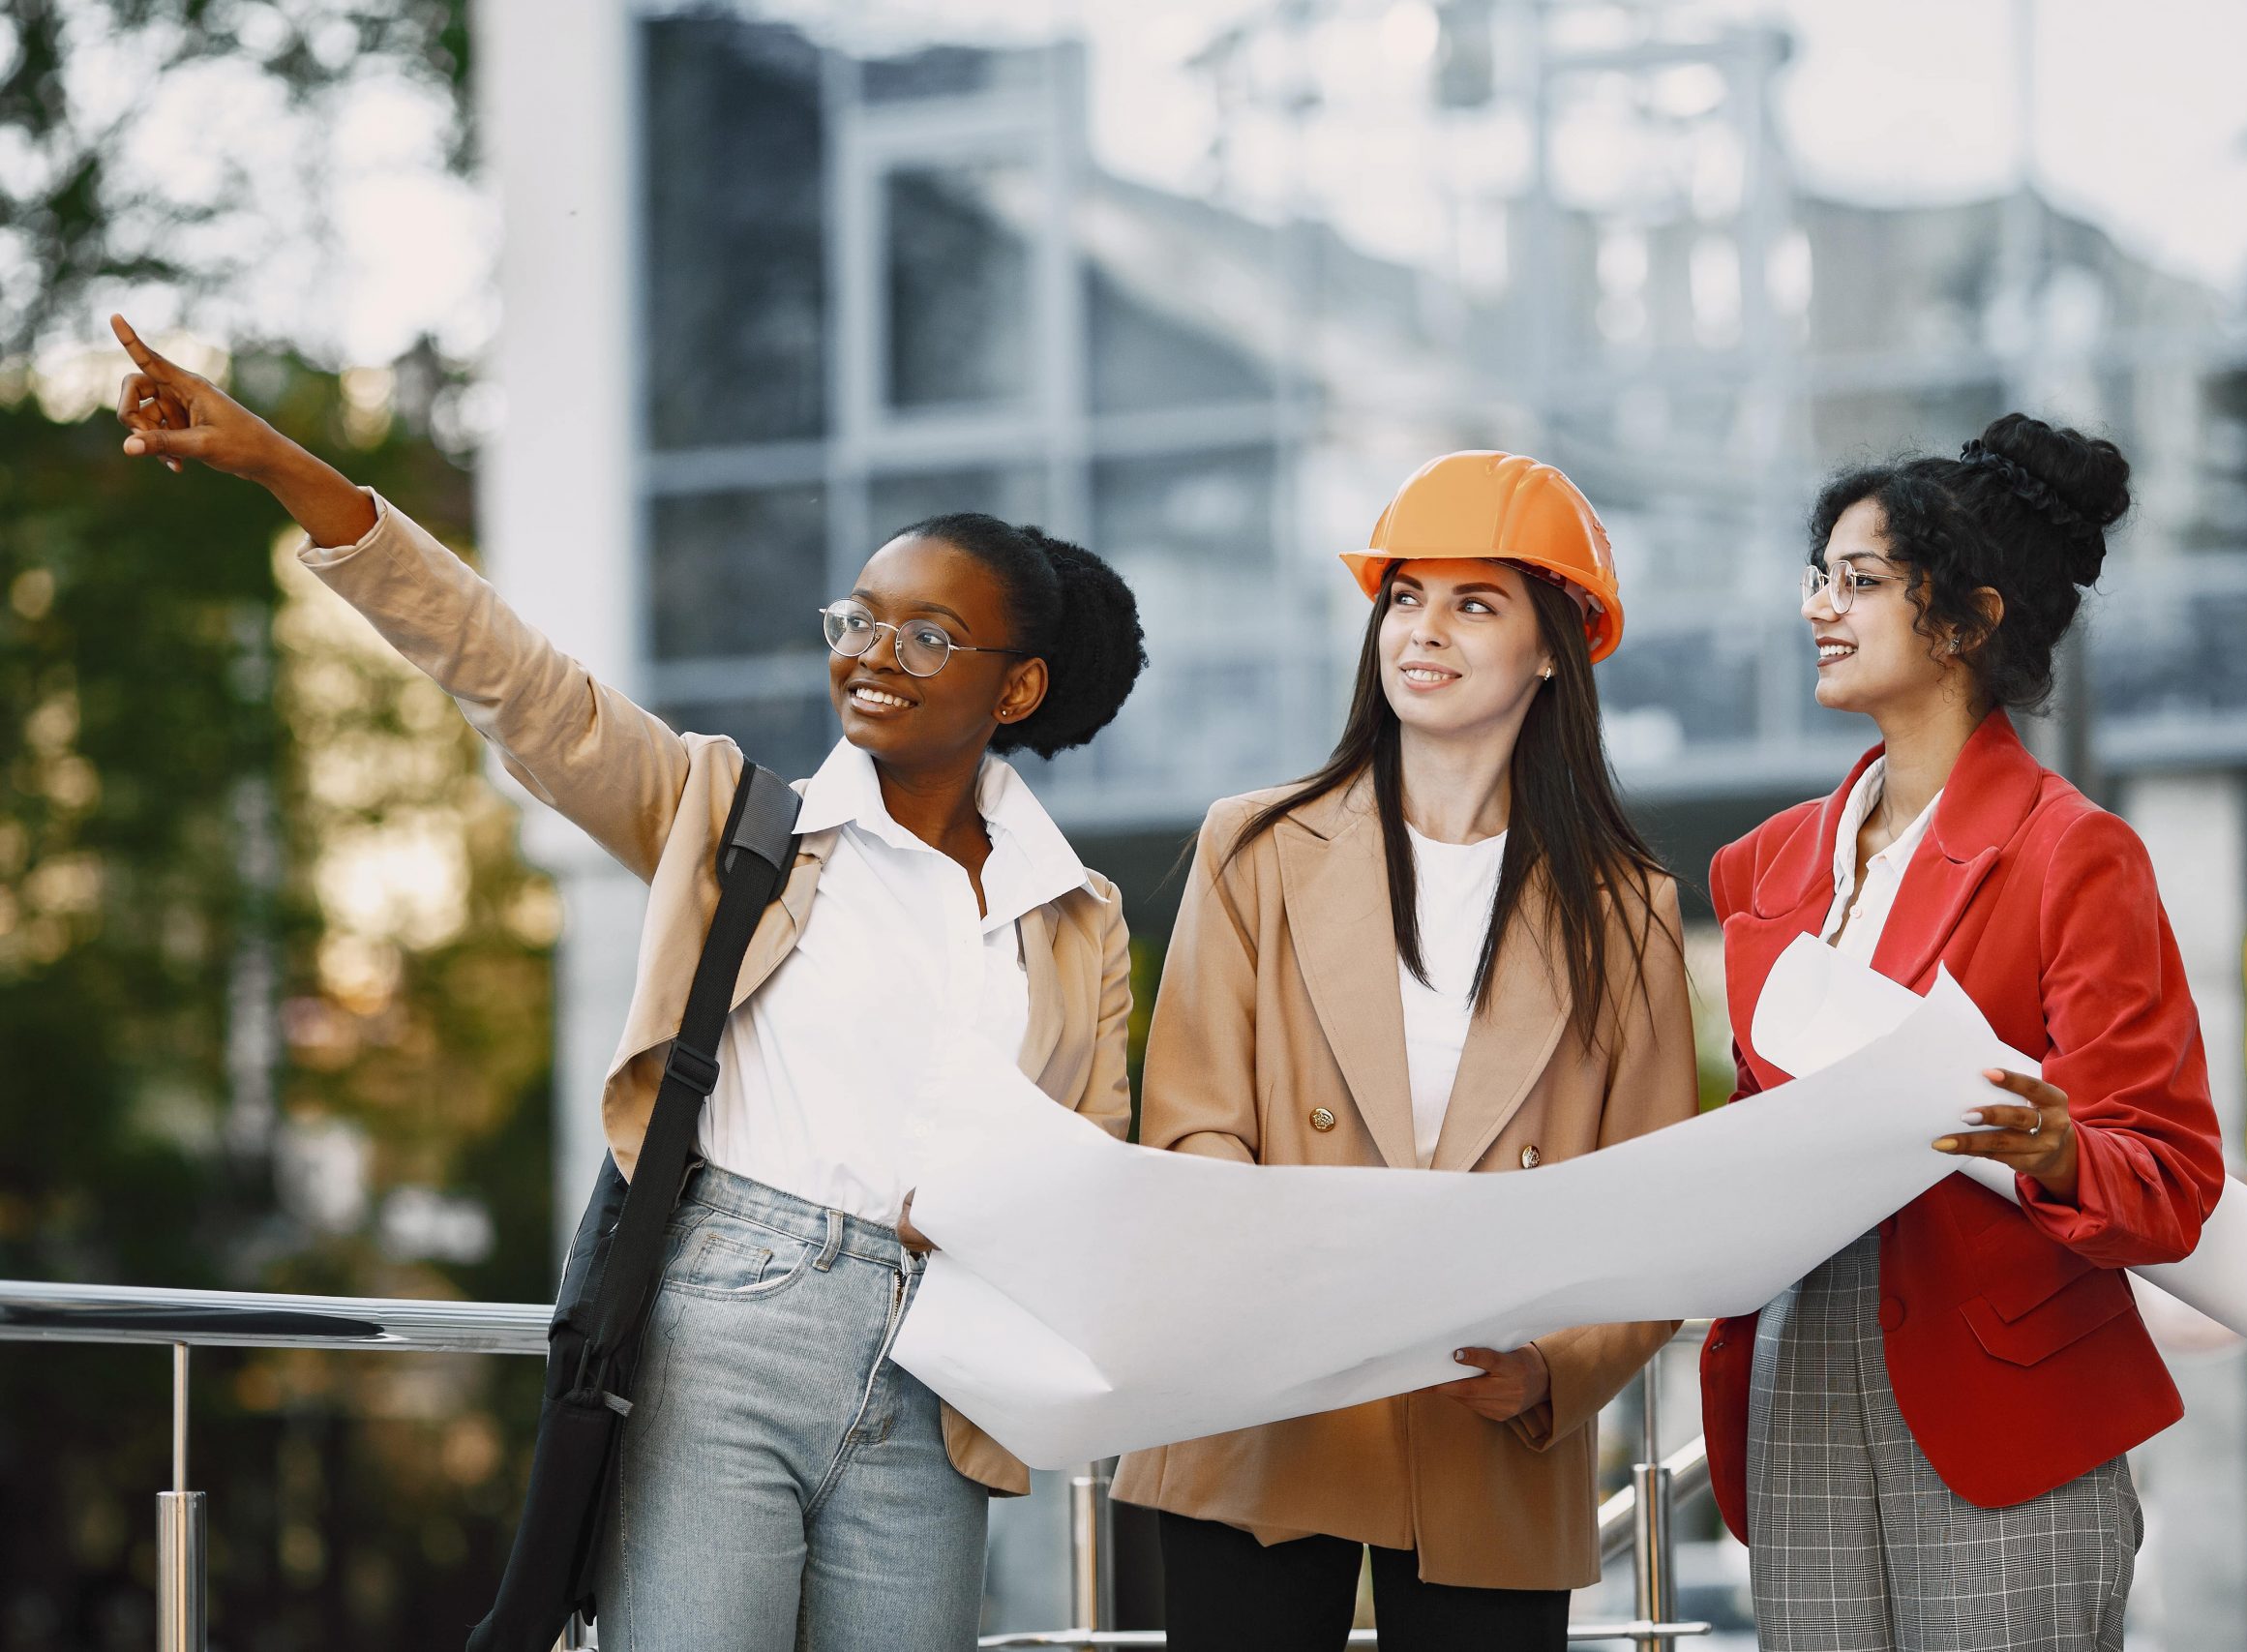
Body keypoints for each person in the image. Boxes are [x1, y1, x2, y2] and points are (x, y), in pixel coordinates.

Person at [110, 315, 1148, 1652]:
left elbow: (1097, 1166)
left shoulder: (1076, 913)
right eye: (861, 619)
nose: (874, 654)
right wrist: (283, 469)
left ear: (1020, 688)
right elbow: (517, 683)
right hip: (728, 1328)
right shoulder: (734, 815)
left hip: (938, 1377)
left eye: (930, 635)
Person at [1111, 452, 1700, 1650]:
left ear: (1554, 648)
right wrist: (1287, 1291)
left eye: (1472, 602)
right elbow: (1191, 1120)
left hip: (1488, 1422)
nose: (1421, 631)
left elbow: (1656, 1206)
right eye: (1403, 597)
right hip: (1262, 1402)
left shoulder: (1626, 908)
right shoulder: (1256, 847)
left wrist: (1550, 1370)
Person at [1702, 413, 2225, 1649]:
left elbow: (2171, 1178)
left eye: (1862, 581)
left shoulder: (2073, 855)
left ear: (1969, 620)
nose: (1820, 606)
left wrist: (2056, 1150)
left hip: (2002, 1399)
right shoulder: (1765, 867)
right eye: (1818, 576)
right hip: (1799, 1371)